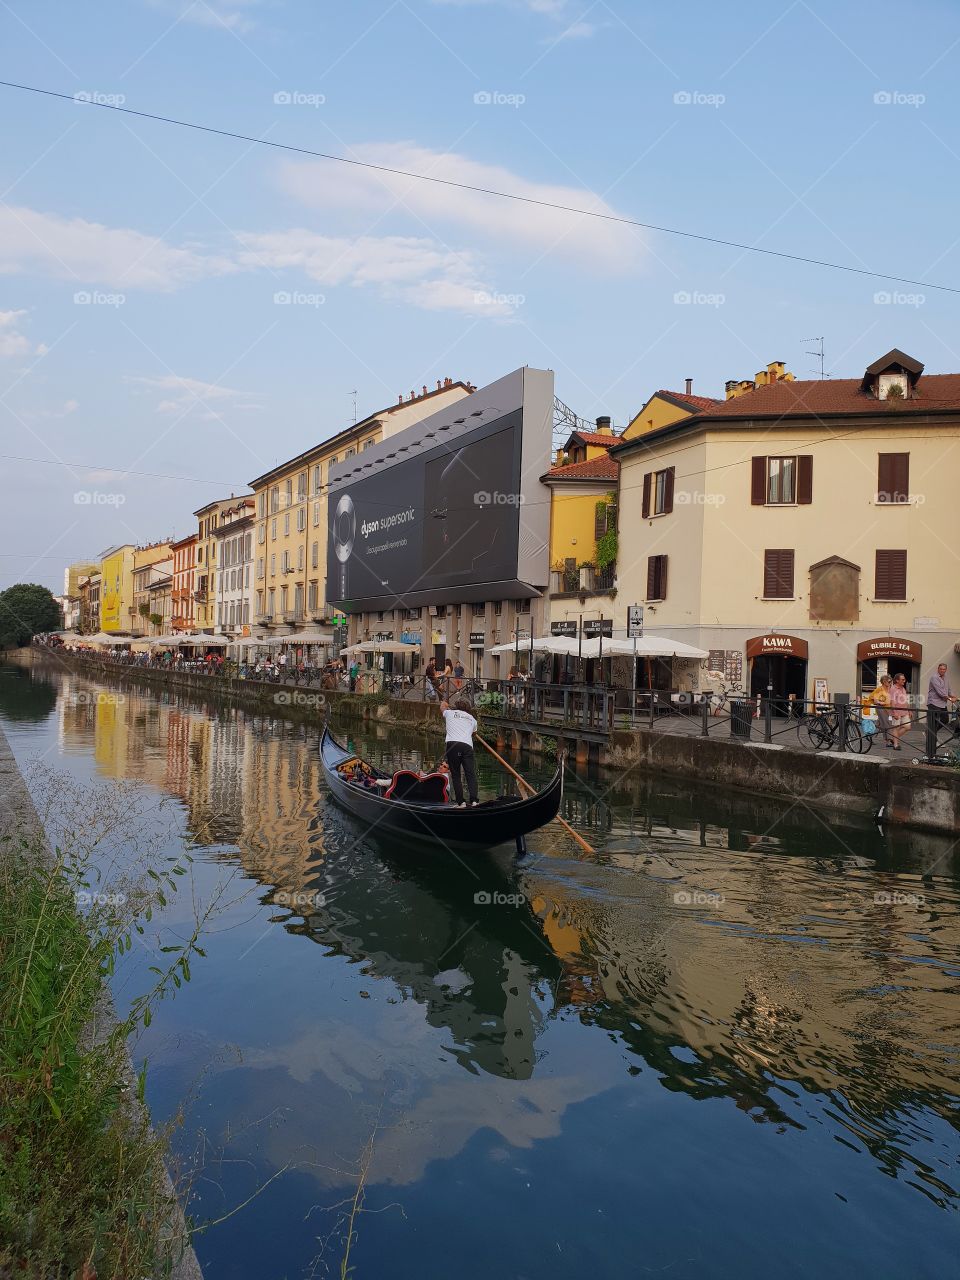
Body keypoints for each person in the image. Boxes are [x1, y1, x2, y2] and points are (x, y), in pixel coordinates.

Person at [440, 697, 479, 807]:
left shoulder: (449, 713)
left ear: (456, 705)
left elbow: (442, 706)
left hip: (453, 745)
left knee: (456, 775)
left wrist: (444, 703)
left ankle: (461, 802)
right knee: (470, 774)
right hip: (467, 746)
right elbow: (474, 733)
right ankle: (474, 800)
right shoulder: (472, 719)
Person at [927, 662, 957, 728]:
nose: (942, 670)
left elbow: (948, 690)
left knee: (945, 720)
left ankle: (929, 733)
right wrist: (951, 699)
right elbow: (940, 692)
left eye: (944, 669)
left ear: (946, 670)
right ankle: (931, 735)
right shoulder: (934, 678)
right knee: (933, 722)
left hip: (943, 704)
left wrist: (955, 697)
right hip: (934, 703)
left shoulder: (946, 678)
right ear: (938, 669)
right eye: (941, 669)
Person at [868, 673, 894, 745]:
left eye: (890, 681)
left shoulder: (890, 689)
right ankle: (889, 740)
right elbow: (873, 697)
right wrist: (880, 702)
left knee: (879, 724)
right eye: (889, 681)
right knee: (886, 723)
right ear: (884, 682)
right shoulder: (880, 689)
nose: (890, 683)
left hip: (887, 709)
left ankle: (869, 735)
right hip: (881, 708)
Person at [889, 672, 911, 750]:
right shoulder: (893, 689)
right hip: (897, 712)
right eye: (902, 679)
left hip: (904, 711)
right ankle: (895, 745)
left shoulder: (903, 688)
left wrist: (909, 710)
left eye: (904, 679)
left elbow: (905, 700)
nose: (904, 681)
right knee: (896, 728)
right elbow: (892, 702)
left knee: (908, 727)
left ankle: (894, 738)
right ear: (897, 680)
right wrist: (894, 713)